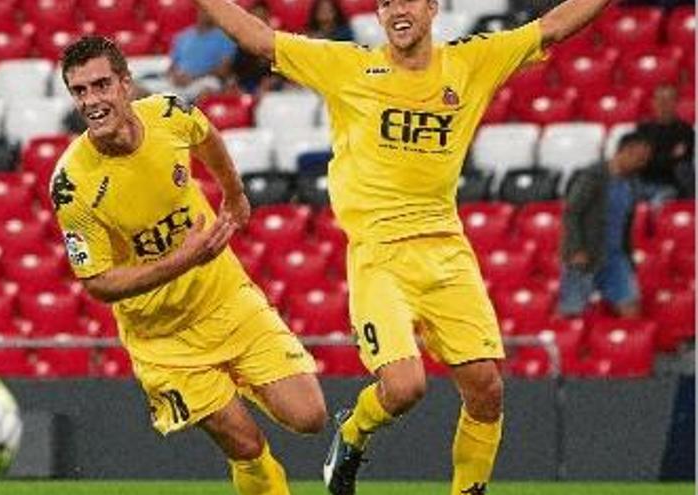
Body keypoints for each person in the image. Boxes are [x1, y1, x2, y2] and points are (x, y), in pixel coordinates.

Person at [192, 0, 618, 494]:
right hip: (379, 255)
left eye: (407, 0)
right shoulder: (349, 67)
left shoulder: (471, 62)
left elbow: (554, 25)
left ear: (432, 7)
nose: (396, 10)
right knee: (405, 386)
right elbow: (262, 41)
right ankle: (353, 432)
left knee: (487, 390)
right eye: (385, 2)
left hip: (445, 249)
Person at [52, 36, 327, 495]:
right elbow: (97, 283)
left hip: (227, 301)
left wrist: (234, 194)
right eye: (80, 91)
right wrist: (185, 258)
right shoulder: (72, 186)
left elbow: (207, 137)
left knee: (310, 417)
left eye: (101, 85)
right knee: (245, 444)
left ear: (125, 83)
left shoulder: (170, 114)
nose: (92, 101)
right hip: (164, 339)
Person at [558, 132, 653, 318]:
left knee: (631, 307)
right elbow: (572, 213)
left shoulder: (632, 184)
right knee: (572, 313)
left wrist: (629, 256)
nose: (642, 164)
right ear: (625, 151)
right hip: (586, 255)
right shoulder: (593, 176)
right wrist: (577, 249)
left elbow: (626, 225)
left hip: (616, 257)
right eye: (640, 159)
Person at [140, 9, 237, 102]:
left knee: (208, 90)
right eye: (204, 10)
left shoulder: (225, 38)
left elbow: (223, 71)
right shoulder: (183, 36)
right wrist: (175, 77)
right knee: (139, 89)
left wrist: (193, 77)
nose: (206, 13)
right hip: (178, 81)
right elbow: (172, 67)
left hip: (204, 81)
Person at [635, 84, 695, 202]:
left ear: (676, 103)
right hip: (641, 183)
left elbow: (682, 163)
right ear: (653, 102)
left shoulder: (685, 130)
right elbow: (639, 161)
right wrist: (670, 156)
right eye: (659, 99)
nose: (663, 103)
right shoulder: (643, 129)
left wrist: (652, 157)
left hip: (669, 185)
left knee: (657, 204)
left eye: (668, 99)